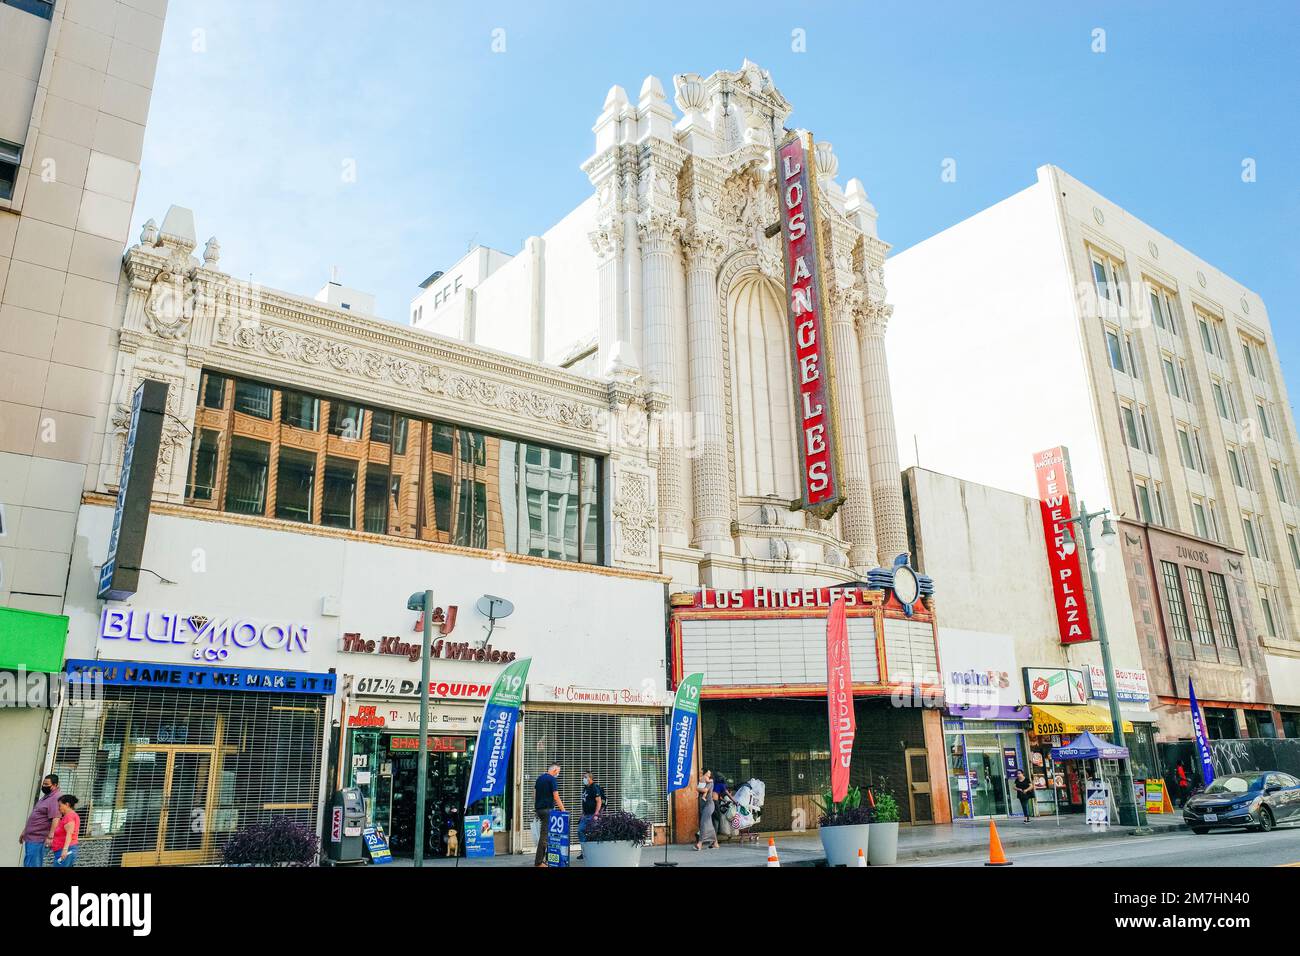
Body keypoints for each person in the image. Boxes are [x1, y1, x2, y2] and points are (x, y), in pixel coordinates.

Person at [18, 773, 61, 867]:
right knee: (28, 863)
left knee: (32, 864)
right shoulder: (47, 796)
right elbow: (35, 816)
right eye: (43, 784)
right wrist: (25, 831)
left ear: (55, 785)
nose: (44, 786)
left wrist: (50, 837)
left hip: (38, 839)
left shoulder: (55, 798)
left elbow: (56, 818)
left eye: (47, 784)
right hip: (32, 837)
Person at [533, 762, 564, 868]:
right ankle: (538, 862)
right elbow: (556, 796)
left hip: (539, 809)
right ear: (554, 770)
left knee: (547, 836)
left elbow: (535, 794)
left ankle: (547, 859)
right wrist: (563, 810)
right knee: (545, 837)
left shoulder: (539, 778)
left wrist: (537, 808)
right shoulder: (552, 780)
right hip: (547, 811)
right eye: (558, 772)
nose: (558, 774)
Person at [576, 771, 605, 860]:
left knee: (594, 833)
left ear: (590, 778)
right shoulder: (585, 788)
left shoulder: (594, 788)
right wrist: (582, 814)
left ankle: (595, 853)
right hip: (585, 815)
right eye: (583, 777)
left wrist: (596, 814)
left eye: (585, 777)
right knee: (580, 831)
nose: (583, 779)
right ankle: (584, 852)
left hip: (593, 815)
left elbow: (599, 801)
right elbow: (584, 802)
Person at [51, 796, 80, 868]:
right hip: (65, 850)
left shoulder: (69, 816)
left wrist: (65, 850)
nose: (58, 808)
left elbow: (69, 834)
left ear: (67, 804)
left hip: (65, 851)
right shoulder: (71, 815)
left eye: (60, 805)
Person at [695, 772, 719, 850]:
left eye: (708, 774)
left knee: (703, 823)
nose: (706, 775)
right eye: (706, 774)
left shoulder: (710, 783)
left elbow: (705, 790)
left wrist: (697, 788)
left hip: (709, 805)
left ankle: (700, 843)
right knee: (709, 824)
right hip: (703, 806)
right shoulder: (702, 782)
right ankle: (715, 843)